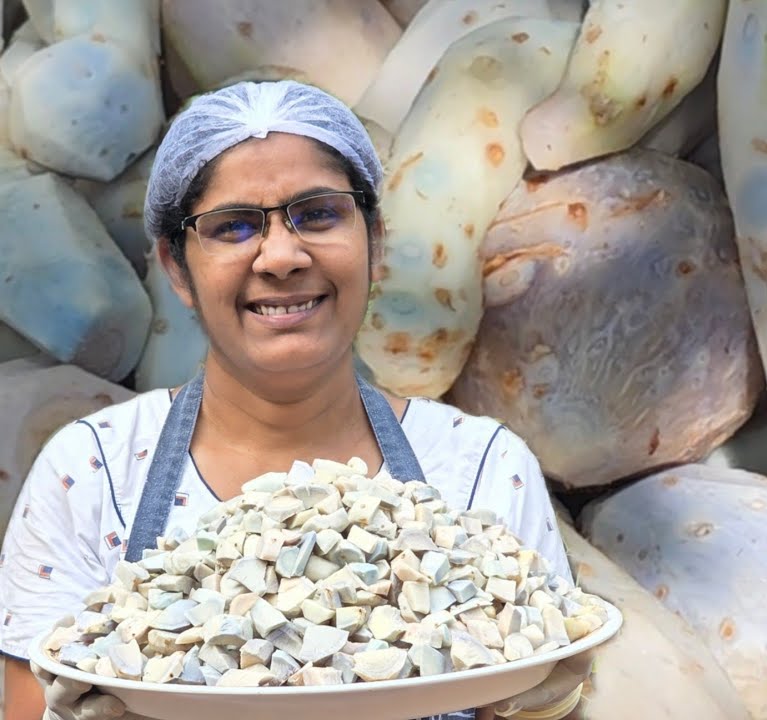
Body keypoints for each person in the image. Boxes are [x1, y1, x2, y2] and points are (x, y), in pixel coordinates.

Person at [0, 80, 593, 720]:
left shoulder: (481, 469)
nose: (281, 256)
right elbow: (27, 703)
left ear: (375, 242)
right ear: (176, 268)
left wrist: (540, 705)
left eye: (317, 214)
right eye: (232, 227)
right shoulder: (91, 473)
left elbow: (542, 674)